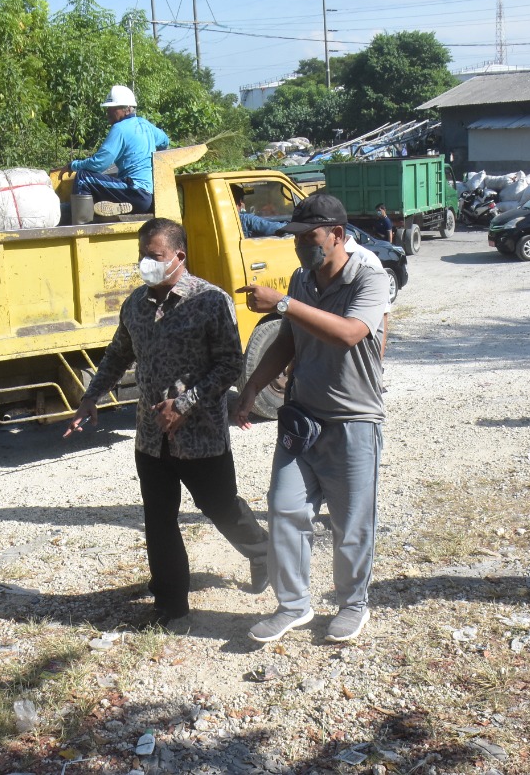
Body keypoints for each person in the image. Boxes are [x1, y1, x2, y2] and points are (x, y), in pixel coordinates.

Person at [66, 218, 269, 626]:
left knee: (219, 506)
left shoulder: (210, 301)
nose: (146, 263)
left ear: (179, 256)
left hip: (201, 435)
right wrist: (90, 397)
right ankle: (170, 602)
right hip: (151, 436)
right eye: (142, 255)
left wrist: (185, 403)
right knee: (159, 517)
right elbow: (118, 354)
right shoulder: (134, 305)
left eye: (154, 256)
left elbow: (230, 364)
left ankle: (262, 552)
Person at [234, 192, 387, 644]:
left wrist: (283, 303)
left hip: (354, 419)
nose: (301, 246)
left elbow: (349, 334)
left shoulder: (369, 277)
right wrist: (253, 386)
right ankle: (293, 605)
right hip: (302, 418)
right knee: (284, 510)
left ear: (337, 234)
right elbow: (288, 339)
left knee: (350, 522)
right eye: (296, 238)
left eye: (309, 237)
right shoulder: (302, 279)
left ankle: (353, 604)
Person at [65, 86, 170, 218]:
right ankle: (112, 207)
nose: (107, 113)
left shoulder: (119, 128)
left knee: (83, 178)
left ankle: (82, 225)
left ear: (127, 109)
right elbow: (165, 141)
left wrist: (73, 165)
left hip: (134, 192)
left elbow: (99, 164)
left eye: (112, 108)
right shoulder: (145, 124)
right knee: (111, 181)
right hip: (148, 196)